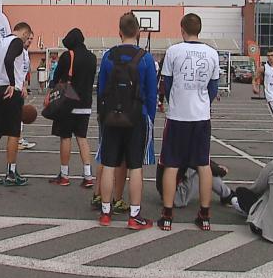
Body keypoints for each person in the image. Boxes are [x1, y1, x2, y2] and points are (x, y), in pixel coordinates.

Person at [158, 13, 221, 231]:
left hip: (178, 116)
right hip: (201, 116)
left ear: (182, 29)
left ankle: (167, 214)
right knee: (203, 165)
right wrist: (202, 102)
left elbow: (167, 82)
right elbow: (213, 87)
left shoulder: (173, 51)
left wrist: (175, 101)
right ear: (199, 29)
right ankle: (204, 215)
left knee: (171, 164)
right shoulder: (212, 53)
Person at [96, 12, 157, 229]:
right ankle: (134, 215)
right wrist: (149, 117)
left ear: (119, 31)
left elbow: (101, 90)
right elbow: (152, 93)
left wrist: (102, 116)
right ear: (138, 32)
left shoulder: (108, 57)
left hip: (111, 117)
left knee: (108, 164)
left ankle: (105, 212)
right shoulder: (146, 58)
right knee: (135, 167)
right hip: (136, 117)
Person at [0, 22, 34, 187]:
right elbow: (9, 59)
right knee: (13, 133)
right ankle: (11, 173)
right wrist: (12, 82)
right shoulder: (16, 42)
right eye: (28, 36)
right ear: (24, 33)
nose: (27, 40)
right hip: (10, 91)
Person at [48, 28, 97, 188]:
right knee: (82, 138)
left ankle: (64, 174)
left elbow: (56, 79)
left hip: (68, 103)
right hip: (86, 103)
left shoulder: (67, 56)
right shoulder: (92, 57)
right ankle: (88, 175)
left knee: (66, 137)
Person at [155, 161, 236, 209]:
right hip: (176, 197)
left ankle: (227, 195)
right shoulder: (186, 149)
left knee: (201, 169)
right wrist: (220, 170)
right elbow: (202, 164)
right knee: (204, 173)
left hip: (167, 194)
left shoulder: (174, 145)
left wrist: (216, 167)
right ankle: (228, 196)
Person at [253, 49, 273, 117]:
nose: (270, 57)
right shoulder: (263, 68)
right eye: (268, 56)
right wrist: (255, 88)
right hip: (271, 96)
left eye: (272, 55)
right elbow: (255, 79)